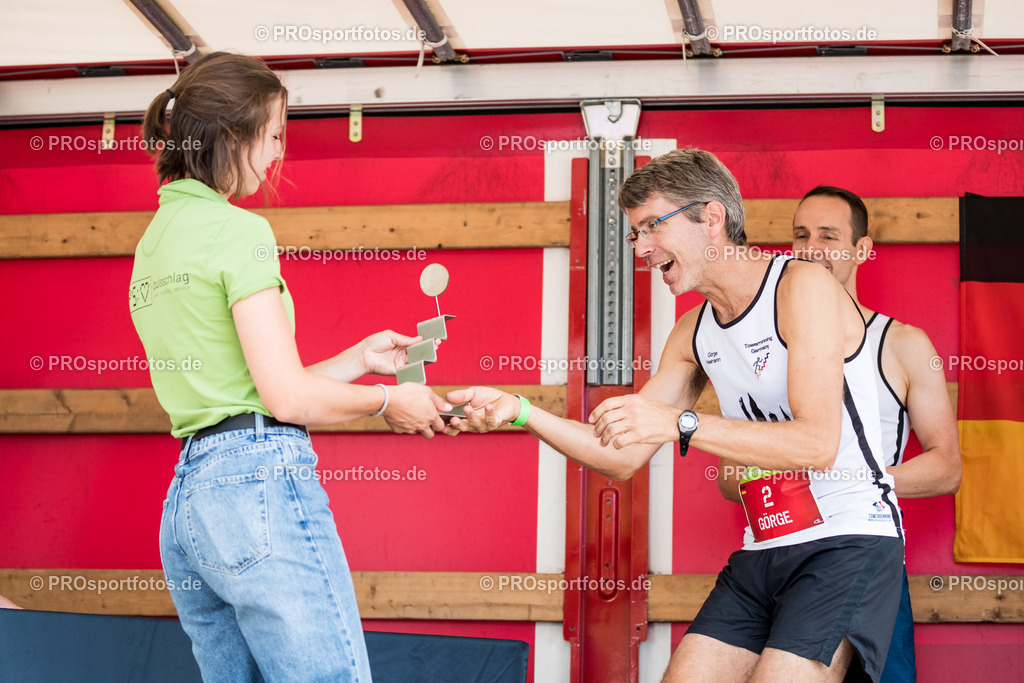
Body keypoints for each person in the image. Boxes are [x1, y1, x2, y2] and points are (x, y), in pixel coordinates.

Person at [449, 148, 904, 682]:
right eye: (633, 233)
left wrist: (683, 423)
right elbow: (620, 456)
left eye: (650, 227)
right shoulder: (693, 331)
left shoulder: (801, 287)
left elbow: (817, 444)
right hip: (764, 548)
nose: (639, 248)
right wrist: (521, 411)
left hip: (848, 540)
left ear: (711, 218)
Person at [131, 52, 451, 682]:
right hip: (256, 486)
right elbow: (287, 403)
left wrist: (360, 361)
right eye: (275, 135)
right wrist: (390, 403)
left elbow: (251, 389)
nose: (278, 154)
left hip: (190, 503)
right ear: (233, 135)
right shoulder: (237, 229)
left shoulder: (156, 239)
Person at [790, 185, 961, 681]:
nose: (812, 249)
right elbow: (729, 475)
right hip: (780, 563)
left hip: (869, 561)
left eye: (829, 235)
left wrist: (847, 487)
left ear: (862, 249)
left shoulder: (904, 343)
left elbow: (947, 466)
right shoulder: (768, 345)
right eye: (801, 236)